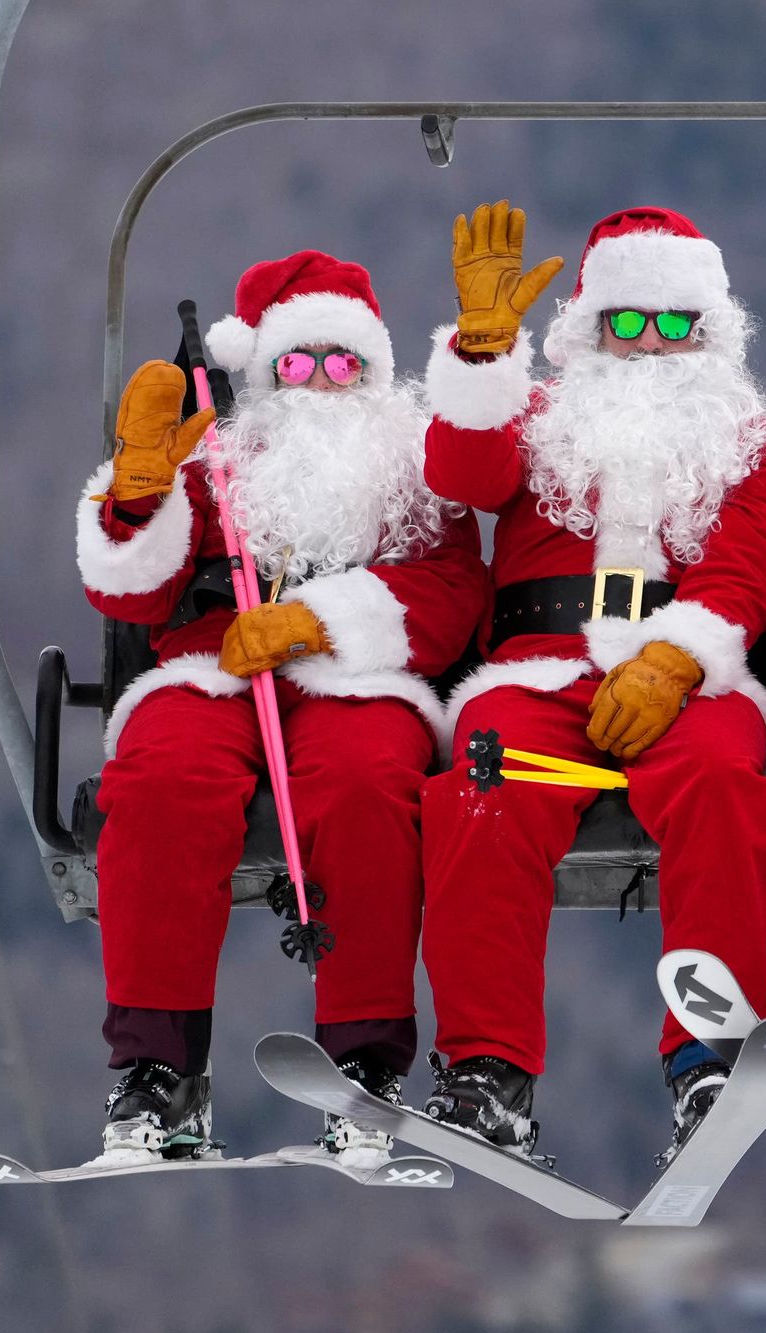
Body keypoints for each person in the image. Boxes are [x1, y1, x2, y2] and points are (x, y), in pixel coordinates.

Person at [75, 250, 487, 1164]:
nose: (323, 384)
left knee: (366, 780)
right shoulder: (212, 455)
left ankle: (365, 1065)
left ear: (377, 370)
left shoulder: (411, 466)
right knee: (163, 777)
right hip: (215, 665)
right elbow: (132, 596)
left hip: (355, 669)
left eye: (346, 364)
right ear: (262, 371)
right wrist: (139, 497)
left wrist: (320, 617)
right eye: (298, 365)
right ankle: (159, 1072)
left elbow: (454, 589)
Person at [416, 201, 766, 1165]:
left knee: (721, 788)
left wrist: (673, 659)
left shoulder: (746, 438)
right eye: (628, 323)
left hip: (689, 681)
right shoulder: (535, 419)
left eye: (677, 325)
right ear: (589, 328)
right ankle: (487, 1070)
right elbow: (463, 474)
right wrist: (481, 351)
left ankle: (709, 1056)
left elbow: (745, 567)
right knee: (486, 788)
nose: (652, 347)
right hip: (542, 670)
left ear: (712, 332)